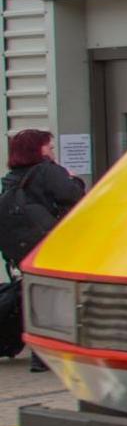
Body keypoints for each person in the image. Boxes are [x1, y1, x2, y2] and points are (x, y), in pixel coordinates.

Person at [0, 130, 86, 370]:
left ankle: (39, 351)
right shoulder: (48, 171)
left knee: (37, 296)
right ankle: (47, 354)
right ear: (38, 149)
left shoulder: (12, 178)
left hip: (22, 247)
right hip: (47, 242)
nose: (52, 151)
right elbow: (73, 196)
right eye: (49, 147)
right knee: (58, 296)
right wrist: (74, 179)